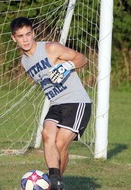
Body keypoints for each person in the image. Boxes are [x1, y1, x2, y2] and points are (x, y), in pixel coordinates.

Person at [10, 17, 91, 190]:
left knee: (60, 143)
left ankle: (55, 184)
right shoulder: (24, 62)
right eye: (20, 36)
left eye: (28, 34)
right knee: (47, 134)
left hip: (76, 102)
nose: (25, 39)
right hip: (56, 104)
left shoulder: (50, 48)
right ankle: (53, 180)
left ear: (34, 33)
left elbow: (82, 59)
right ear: (14, 38)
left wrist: (65, 67)